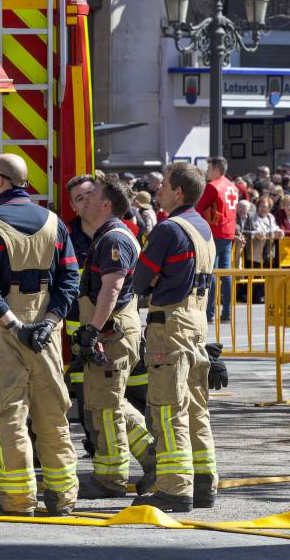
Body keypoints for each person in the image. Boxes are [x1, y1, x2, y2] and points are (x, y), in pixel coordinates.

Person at [0, 153, 80, 516]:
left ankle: (17, 500)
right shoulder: (54, 222)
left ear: (0, 181)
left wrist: (14, 324)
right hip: (47, 330)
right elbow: (70, 278)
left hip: (6, 331)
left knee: (9, 415)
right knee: (52, 416)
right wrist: (48, 322)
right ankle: (64, 498)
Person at [131, 161, 216, 513]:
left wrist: (152, 281)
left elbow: (139, 281)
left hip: (170, 324)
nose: (158, 191)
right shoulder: (203, 228)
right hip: (196, 322)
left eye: (163, 185)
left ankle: (174, 488)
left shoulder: (168, 230)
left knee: (167, 408)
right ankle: (204, 481)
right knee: (196, 406)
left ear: (178, 191)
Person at [73, 174, 156, 500]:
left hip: (112, 333)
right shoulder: (106, 236)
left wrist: (93, 329)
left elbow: (113, 288)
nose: (85, 201)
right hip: (112, 332)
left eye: (91, 195)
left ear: (105, 203)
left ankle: (110, 478)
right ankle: (153, 459)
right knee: (110, 402)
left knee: (106, 406)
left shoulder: (114, 240)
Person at [63, 173, 100, 458]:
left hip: (117, 326)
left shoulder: (122, 230)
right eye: (79, 198)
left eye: (90, 194)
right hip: (79, 333)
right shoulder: (66, 236)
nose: (86, 201)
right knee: (86, 392)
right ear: (74, 207)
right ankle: (95, 444)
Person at [195, 156, 238, 324]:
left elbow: (199, 209)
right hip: (228, 232)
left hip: (213, 231)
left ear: (215, 169)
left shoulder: (212, 187)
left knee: (211, 272)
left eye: (209, 168)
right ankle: (227, 312)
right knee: (226, 273)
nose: (207, 172)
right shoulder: (232, 187)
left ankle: (209, 313)